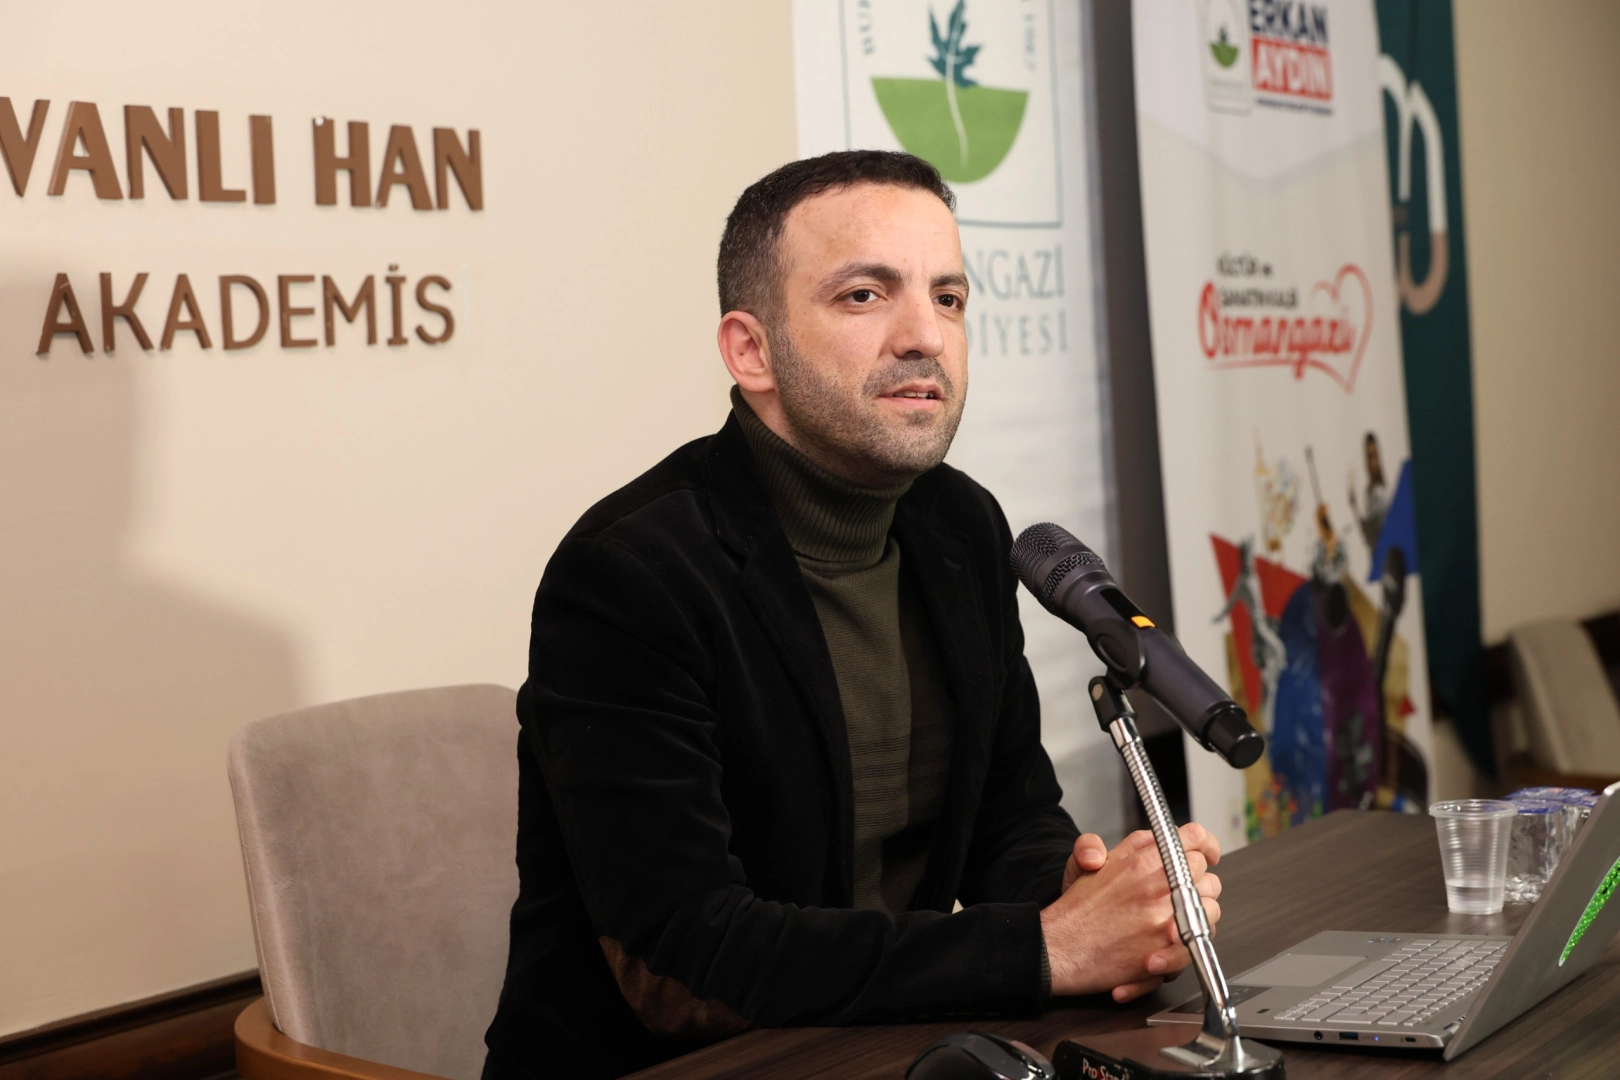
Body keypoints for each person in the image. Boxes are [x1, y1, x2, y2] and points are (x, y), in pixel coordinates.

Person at [482, 151, 1223, 1080]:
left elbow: (1009, 814)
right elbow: (682, 961)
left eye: (948, 298)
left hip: (890, 1049)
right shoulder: (630, 574)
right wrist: (1046, 947)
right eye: (866, 296)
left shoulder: (961, 526)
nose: (926, 336)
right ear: (751, 352)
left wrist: (1078, 892)